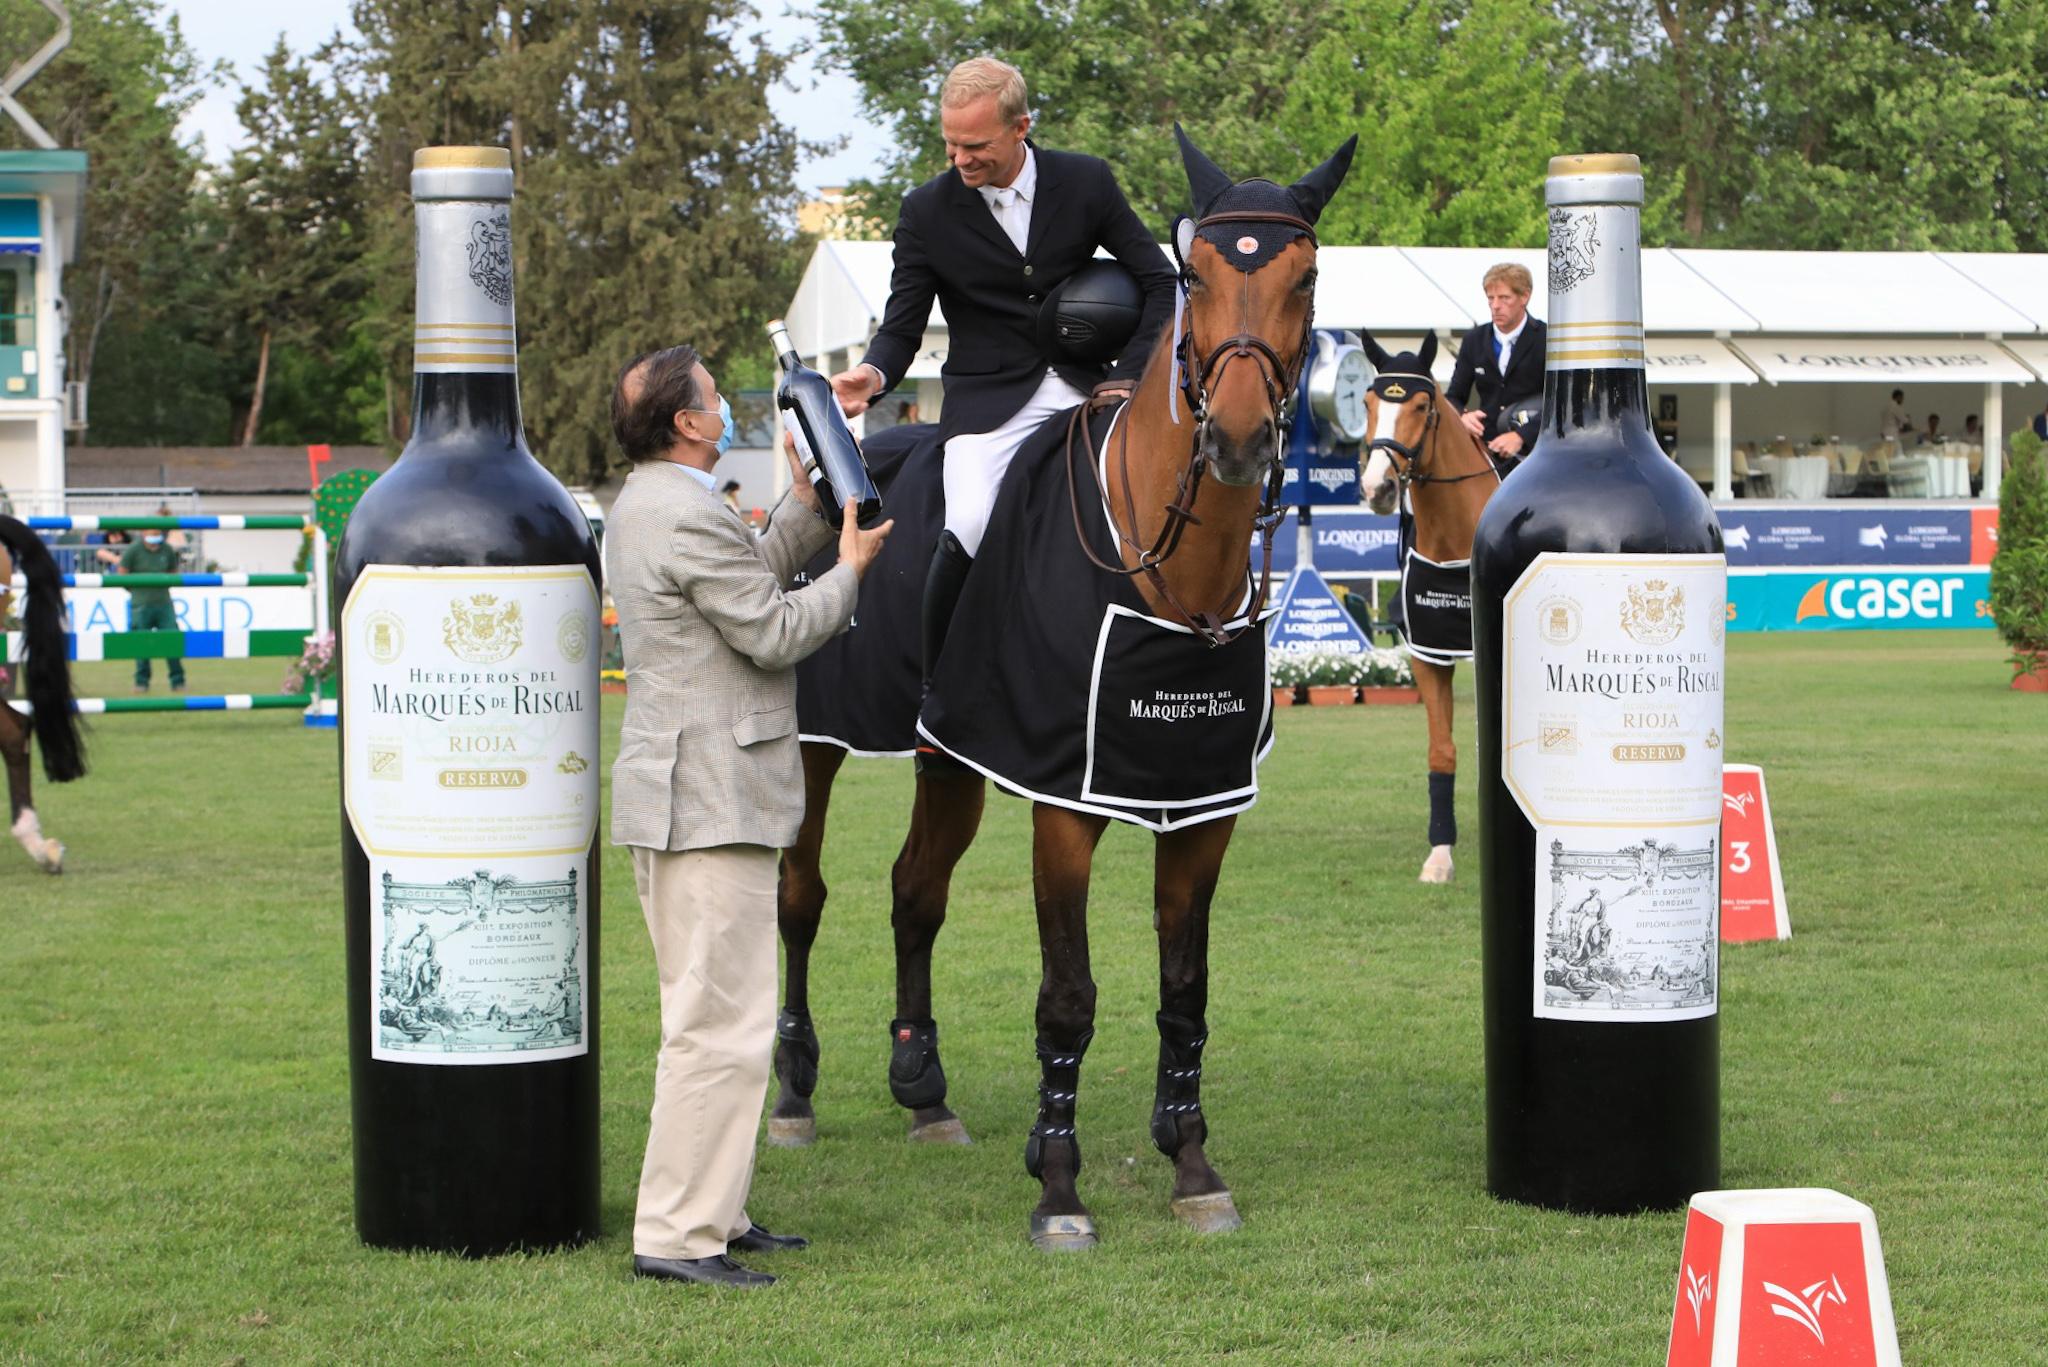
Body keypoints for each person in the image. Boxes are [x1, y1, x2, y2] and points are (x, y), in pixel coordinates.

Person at [605, 343, 893, 1290]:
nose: (729, 407)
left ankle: (715, 1211)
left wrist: (812, 510)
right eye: (716, 399)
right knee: (717, 1025)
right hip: (709, 802)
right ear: (688, 423)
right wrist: (849, 568)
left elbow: (748, 574)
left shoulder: (658, 504)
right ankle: (680, 1237)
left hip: (687, 795)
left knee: (719, 1014)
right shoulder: (683, 513)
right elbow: (771, 630)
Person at [825, 56, 1173, 682]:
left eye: (975, 145)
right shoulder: (924, 211)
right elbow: (902, 326)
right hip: (986, 403)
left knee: (1143, 511)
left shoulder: (1086, 181)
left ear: (1021, 128)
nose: (959, 160)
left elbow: (1158, 279)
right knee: (970, 521)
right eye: (950, 144)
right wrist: (872, 376)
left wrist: (1129, 373)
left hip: (1091, 390)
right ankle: (941, 692)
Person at [1445, 262, 1546, 467]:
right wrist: (1462, 418)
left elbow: (1559, 402)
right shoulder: (1474, 339)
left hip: (1534, 455)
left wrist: (1521, 436)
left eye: (1504, 298)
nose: (1495, 306)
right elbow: (1454, 396)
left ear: (1524, 297)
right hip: (1484, 453)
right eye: (1490, 298)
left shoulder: (1547, 339)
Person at [118, 526, 185, 693]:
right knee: (142, 645)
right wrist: (136, 591)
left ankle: (178, 681)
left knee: (172, 641)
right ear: (143, 534)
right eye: (152, 534)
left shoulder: (167, 550)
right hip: (140, 604)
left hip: (164, 603)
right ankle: (141, 682)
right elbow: (122, 574)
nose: (156, 538)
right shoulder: (133, 550)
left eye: (158, 534)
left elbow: (173, 572)